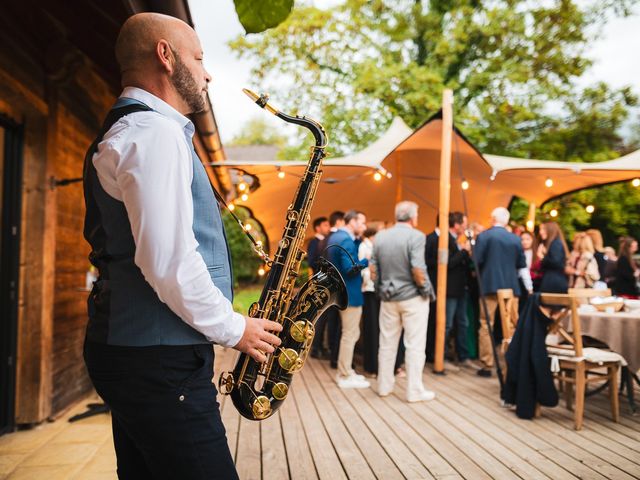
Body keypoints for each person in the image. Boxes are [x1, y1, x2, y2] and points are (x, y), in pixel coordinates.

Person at [82, 13, 283, 479]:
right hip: (158, 362)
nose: (208, 72)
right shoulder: (154, 133)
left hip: (138, 353)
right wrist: (236, 328)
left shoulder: (139, 130)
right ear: (165, 56)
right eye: (199, 57)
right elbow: (168, 261)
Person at [371, 201, 435, 402]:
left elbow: (373, 269)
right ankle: (414, 391)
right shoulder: (416, 236)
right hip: (412, 298)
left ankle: (383, 386)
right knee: (415, 345)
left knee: (387, 343)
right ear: (414, 217)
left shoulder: (381, 236)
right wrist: (426, 291)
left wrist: (381, 288)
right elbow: (418, 269)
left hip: (388, 298)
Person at [473, 207, 528, 378]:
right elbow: (521, 264)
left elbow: (476, 260)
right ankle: (510, 362)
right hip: (511, 287)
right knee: (510, 325)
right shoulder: (515, 239)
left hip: (489, 285)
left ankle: (487, 364)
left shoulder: (484, 236)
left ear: (493, 218)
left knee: (485, 324)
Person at [327, 210, 370, 388]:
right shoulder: (345, 240)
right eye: (362, 222)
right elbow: (349, 268)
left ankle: (346, 370)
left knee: (350, 333)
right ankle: (344, 374)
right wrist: (366, 261)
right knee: (349, 334)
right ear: (352, 222)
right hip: (350, 294)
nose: (364, 226)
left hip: (341, 292)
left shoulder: (337, 237)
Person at [443, 212, 472, 370]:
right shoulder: (446, 239)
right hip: (450, 289)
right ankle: (443, 356)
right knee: (447, 324)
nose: (466, 227)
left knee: (463, 323)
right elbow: (448, 263)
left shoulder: (457, 240)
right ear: (456, 224)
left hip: (461, 288)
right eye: (464, 223)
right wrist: (464, 251)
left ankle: (463, 356)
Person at [315, 211, 345, 367]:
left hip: (326, 284)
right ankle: (326, 349)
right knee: (329, 318)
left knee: (326, 317)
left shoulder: (326, 239)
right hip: (330, 284)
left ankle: (323, 348)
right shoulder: (332, 240)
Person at [537, 222, 569, 293]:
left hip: (554, 282)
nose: (540, 232)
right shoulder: (554, 243)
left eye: (543, 229)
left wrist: (542, 257)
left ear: (550, 230)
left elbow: (555, 262)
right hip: (553, 281)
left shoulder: (556, 243)